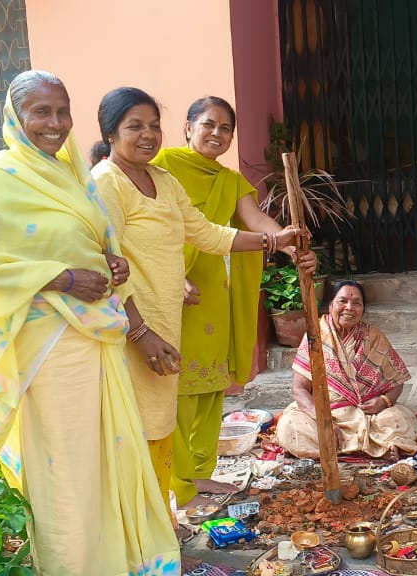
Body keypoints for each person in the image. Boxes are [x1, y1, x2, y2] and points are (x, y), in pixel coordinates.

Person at [0, 70, 179, 575]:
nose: (55, 123)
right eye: (42, 111)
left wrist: (111, 265)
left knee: (105, 461)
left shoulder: (72, 174)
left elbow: (96, 243)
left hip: (96, 340)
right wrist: (61, 278)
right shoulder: (2, 181)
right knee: (68, 471)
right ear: (17, 118)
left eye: (62, 110)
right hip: (49, 348)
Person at [90, 87, 305, 524]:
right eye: (135, 126)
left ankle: (159, 519)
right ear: (110, 132)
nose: (148, 135)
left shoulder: (162, 180)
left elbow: (208, 233)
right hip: (134, 326)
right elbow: (100, 259)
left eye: (153, 125)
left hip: (168, 321)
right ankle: (143, 524)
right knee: (140, 426)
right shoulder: (106, 184)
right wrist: (140, 331)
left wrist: (275, 240)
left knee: (163, 421)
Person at [150, 96, 302, 506]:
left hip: (213, 294)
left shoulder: (230, 181)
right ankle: (176, 484)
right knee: (176, 390)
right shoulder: (159, 167)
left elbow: (256, 222)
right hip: (168, 293)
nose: (217, 134)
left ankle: (199, 476)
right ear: (187, 127)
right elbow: (145, 232)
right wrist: (169, 275)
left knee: (209, 391)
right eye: (208, 124)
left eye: (225, 128)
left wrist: (287, 243)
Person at [275, 280, 417, 459]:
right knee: (290, 425)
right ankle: (377, 449)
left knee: (401, 419)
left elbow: (397, 383)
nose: (349, 307)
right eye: (342, 301)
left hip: (369, 415)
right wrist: (324, 422)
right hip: (325, 413)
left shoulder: (374, 337)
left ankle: (337, 449)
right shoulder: (315, 335)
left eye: (356, 303)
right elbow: (299, 389)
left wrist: (384, 402)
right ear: (331, 304)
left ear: (363, 309)